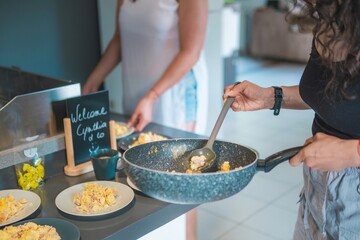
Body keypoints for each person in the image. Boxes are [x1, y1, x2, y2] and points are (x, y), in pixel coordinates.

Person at [223, 0, 360, 239]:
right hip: (316, 188)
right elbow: (333, 97)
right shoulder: (329, 18)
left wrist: (351, 152)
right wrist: (271, 97)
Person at [82, 1, 208, 239]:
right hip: (138, 94)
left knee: (182, 186)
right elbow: (120, 41)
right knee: (143, 176)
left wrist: (153, 96)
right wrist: (93, 80)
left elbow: (191, 51)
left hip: (174, 97)